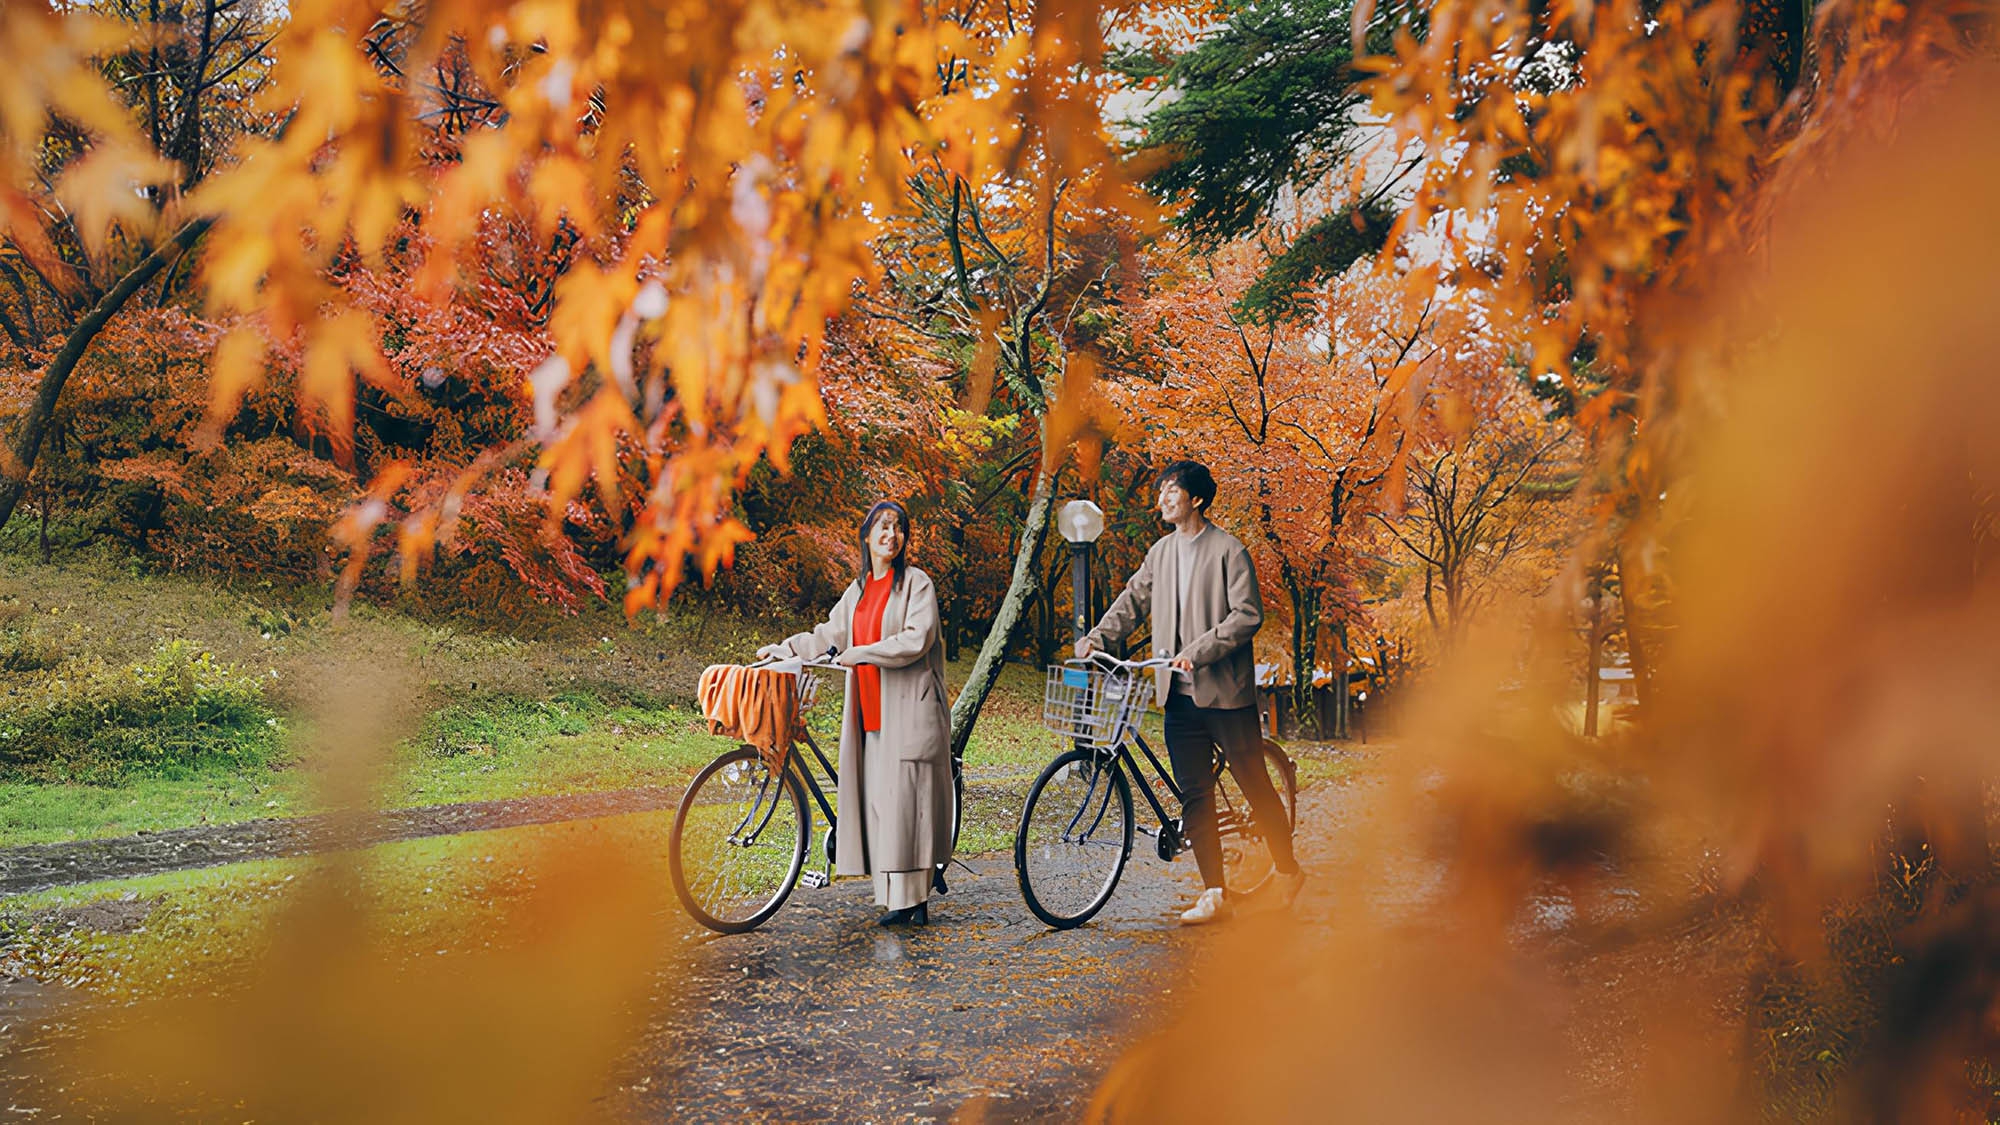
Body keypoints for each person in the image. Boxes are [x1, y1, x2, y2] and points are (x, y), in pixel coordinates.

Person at [1076, 461, 1303, 925]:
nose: (1162, 498)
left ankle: (1287, 869)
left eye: (1171, 491)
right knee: (1195, 793)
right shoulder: (1159, 553)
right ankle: (1214, 893)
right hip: (1176, 696)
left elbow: (1247, 616)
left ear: (1196, 499)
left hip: (1225, 694)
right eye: (1161, 491)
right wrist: (1099, 637)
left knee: (1254, 786)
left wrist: (1197, 652)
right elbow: (1133, 600)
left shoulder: (1228, 550)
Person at [756, 501, 954, 926]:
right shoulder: (860, 589)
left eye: (899, 528)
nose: (891, 535)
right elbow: (830, 634)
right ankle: (897, 899)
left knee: (906, 805)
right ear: (867, 536)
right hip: (872, 712)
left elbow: (916, 639)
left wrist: (862, 652)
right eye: (883, 527)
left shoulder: (917, 585)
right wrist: (786, 649)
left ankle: (913, 901)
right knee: (882, 806)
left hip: (910, 708)